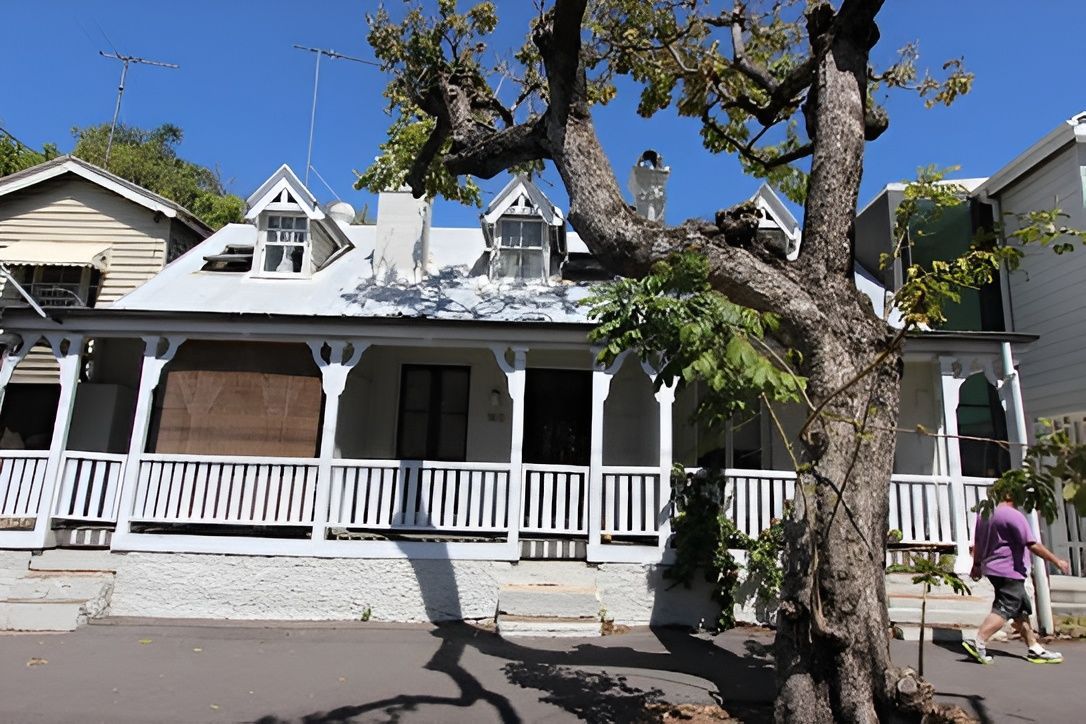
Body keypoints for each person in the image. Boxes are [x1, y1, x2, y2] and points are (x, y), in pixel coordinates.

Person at [962, 493, 1070, 664]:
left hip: (992, 569)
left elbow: (978, 542)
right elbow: (1032, 543)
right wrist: (1056, 561)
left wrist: (976, 565)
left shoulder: (985, 513)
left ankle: (1034, 648)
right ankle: (978, 642)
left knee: (1021, 611)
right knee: (1005, 607)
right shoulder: (1013, 515)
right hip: (1009, 570)